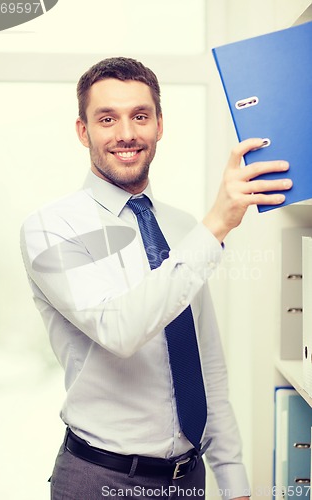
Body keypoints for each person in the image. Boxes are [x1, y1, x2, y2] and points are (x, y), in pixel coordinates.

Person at [20, 57, 292, 499]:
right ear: (82, 131)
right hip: (100, 479)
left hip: (188, 480)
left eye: (140, 116)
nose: (126, 133)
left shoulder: (185, 228)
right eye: (107, 118)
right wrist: (218, 224)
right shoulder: (51, 229)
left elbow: (206, 364)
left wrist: (233, 478)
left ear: (159, 125)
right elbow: (120, 329)